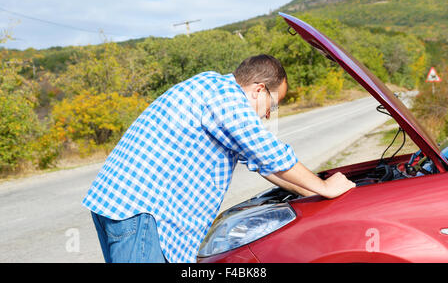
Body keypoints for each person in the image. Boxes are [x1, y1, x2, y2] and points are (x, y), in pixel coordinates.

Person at [82, 54, 355, 263]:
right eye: (272, 105)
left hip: (125, 208)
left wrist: (311, 191)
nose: (269, 114)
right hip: (140, 213)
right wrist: (325, 188)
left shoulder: (211, 89)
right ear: (258, 90)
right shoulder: (224, 95)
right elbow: (267, 152)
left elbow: (264, 166)